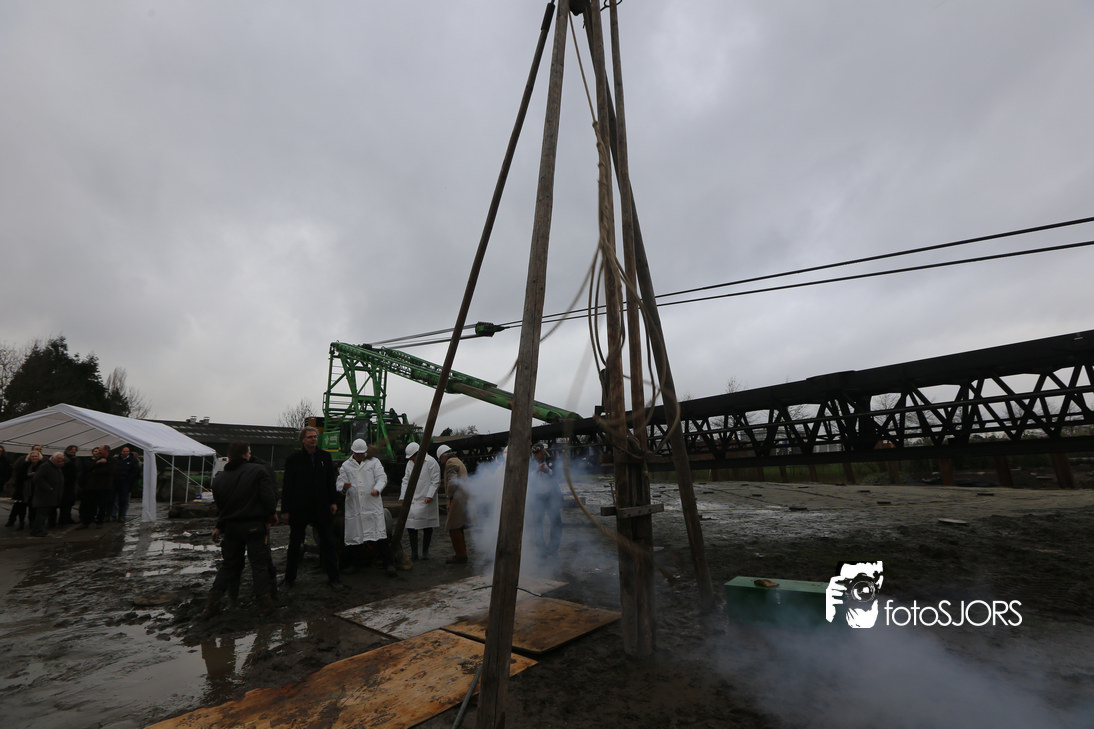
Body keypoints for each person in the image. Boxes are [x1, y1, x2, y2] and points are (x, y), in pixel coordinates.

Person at [280, 426, 345, 590]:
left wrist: (333, 502)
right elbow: (287, 486)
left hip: (321, 506)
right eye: (310, 437)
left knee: (328, 543)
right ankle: (289, 579)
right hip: (300, 507)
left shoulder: (325, 457)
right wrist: (285, 510)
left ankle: (334, 578)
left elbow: (330, 482)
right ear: (303, 440)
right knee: (295, 544)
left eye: (315, 436)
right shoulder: (293, 460)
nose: (313, 439)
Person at [339, 439, 397, 577]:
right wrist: (343, 487)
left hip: (371, 505)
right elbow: (340, 482)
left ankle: (388, 564)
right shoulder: (346, 466)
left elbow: (382, 478)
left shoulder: (374, 462)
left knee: (380, 535)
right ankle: (354, 564)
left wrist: (377, 488)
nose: (359, 455)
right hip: (355, 507)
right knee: (354, 537)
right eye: (357, 453)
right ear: (352, 452)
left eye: (362, 453)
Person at [400, 442, 440, 561]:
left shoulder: (431, 462)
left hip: (426, 499)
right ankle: (414, 553)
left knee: (427, 526)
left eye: (412, 457)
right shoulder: (410, 464)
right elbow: (405, 480)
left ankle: (425, 552)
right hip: (413, 499)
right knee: (411, 526)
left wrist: (430, 495)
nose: (411, 459)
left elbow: (435, 480)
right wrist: (403, 496)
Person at [436, 444, 470, 565]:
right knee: (458, 526)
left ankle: (461, 556)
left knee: (454, 527)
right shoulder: (458, 461)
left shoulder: (450, 463)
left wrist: (448, 497)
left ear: (444, 456)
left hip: (457, 498)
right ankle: (462, 553)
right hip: (463, 497)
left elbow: (452, 482)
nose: (442, 462)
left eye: (441, 459)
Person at [527, 442, 563, 557]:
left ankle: (553, 549)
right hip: (538, 497)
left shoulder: (552, 460)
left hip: (552, 496)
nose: (535, 455)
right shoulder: (530, 464)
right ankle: (541, 551)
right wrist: (536, 471)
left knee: (556, 523)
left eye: (537, 453)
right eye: (534, 453)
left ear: (543, 452)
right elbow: (527, 478)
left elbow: (558, 475)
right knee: (537, 524)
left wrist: (547, 471)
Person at [30, 452, 65, 537]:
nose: (60, 460)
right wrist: (48, 488)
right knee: (41, 514)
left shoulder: (56, 467)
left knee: (44, 514)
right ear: (53, 458)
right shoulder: (46, 466)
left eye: (61, 459)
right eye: (58, 458)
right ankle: (37, 531)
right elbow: (37, 478)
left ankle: (39, 530)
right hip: (44, 495)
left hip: (52, 495)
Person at [6, 449, 42, 530]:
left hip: (35, 490)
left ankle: (32, 524)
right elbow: (19, 477)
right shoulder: (25, 465)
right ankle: (21, 523)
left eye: (36, 456)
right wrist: (28, 475)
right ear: (30, 457)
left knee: (33, 509)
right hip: (24, 490)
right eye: (32, 456)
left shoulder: (42, 466)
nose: (34, 458)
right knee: (21, 508)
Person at [80, 445, 115, 528]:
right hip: (93, 486)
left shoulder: (112, 460)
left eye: (100, 450)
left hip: (104, 486)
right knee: (90, 504)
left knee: (102, 505)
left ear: (106, 451)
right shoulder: (98, 459)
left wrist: (95, 470)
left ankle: (100, 522)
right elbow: (89, 468)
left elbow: (109, 471)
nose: (99, 452)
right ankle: (86, 521)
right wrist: (97, 463)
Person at [111, 446, 140, 521]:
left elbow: (135, 472)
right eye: (124, 451)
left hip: (125, 483)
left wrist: (129, 481)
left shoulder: (133, 460)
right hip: (115, 483)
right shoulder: (116, 459)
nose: (125, 453)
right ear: (121, 452)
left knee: (123, 500)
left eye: (127, 451)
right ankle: (113, 514)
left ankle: (122, 515)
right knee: (113, 499)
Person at [58, 445, 80, 525]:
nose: (73, 451)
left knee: (70, 503)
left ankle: (67, 518)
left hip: (73, 484)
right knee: (64, 503)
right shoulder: (64, 458)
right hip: (65, 484)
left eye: (75, 450)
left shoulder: (76, 459)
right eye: (71, 449)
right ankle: (62, 520)